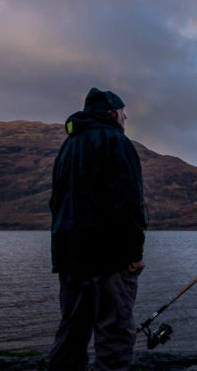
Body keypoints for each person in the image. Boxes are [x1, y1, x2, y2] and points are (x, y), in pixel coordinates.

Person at [48, 87, 147, 371]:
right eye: (124, 113)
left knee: (72, 331)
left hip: (70, 257)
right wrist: (134, 253)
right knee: (114, 331)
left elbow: (55, 202)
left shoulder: (68, 146)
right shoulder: (117, 142)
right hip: (110, 259)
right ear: (113, 113)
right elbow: (129, 203)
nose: (125, 117)